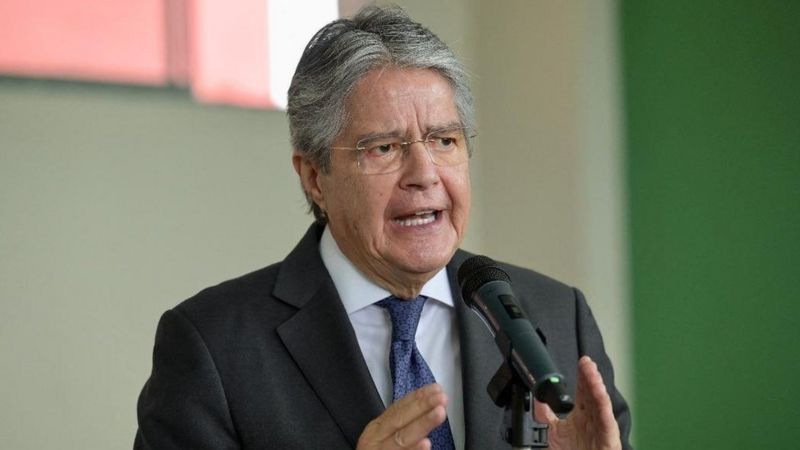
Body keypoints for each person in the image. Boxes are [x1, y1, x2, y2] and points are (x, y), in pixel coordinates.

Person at [135, 5, 632, 450]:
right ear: (315, 178)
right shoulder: (214, 346)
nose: (424, 174)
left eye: (444, 140)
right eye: (384, 148)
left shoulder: (557, 317)